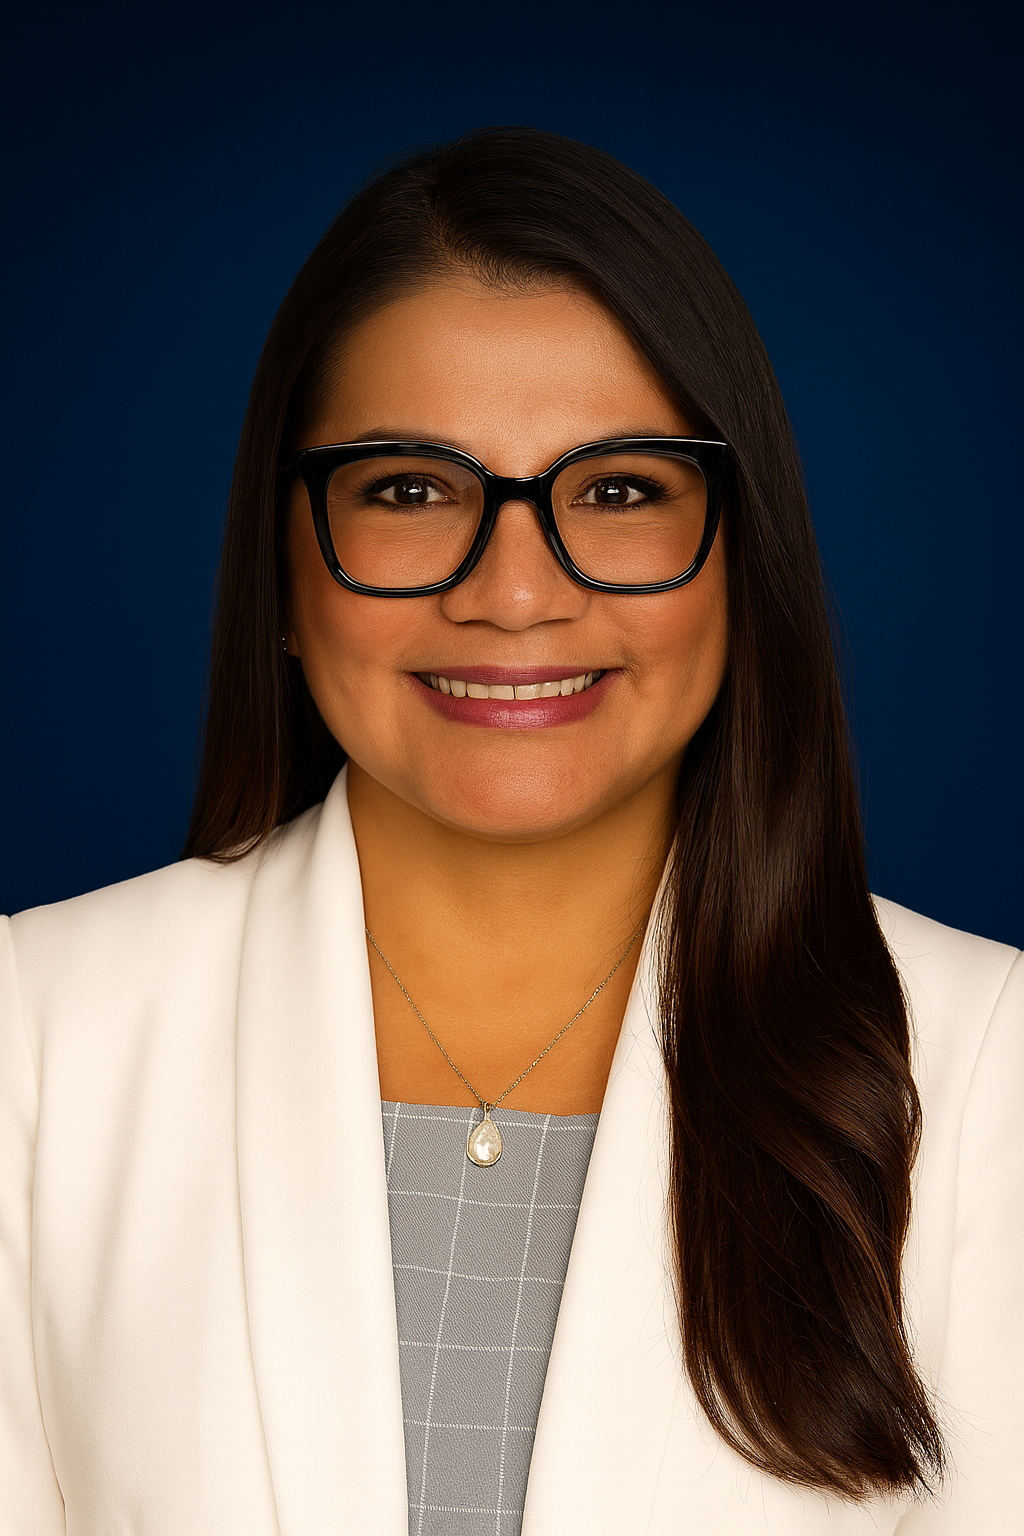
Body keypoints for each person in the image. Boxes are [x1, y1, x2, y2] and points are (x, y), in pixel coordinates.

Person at [0, 127, 1020, 1536]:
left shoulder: (988, 1066)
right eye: (413, 491)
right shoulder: (33, 1034)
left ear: (742, 559)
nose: (517, 593)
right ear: (285, 571)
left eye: (616, 490)